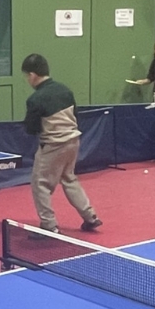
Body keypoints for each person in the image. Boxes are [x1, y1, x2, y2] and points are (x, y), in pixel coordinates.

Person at [21, 53, 101, 234]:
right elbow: (76, 115)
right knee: (69, 178)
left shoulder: (35, 99)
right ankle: (90, 216)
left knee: (40, 184)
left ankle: (48, 225)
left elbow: (31, 129)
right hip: (73, 141)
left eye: (26, 76)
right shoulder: (65, 90)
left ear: (32, 75)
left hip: (53, 145)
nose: (27, 80)